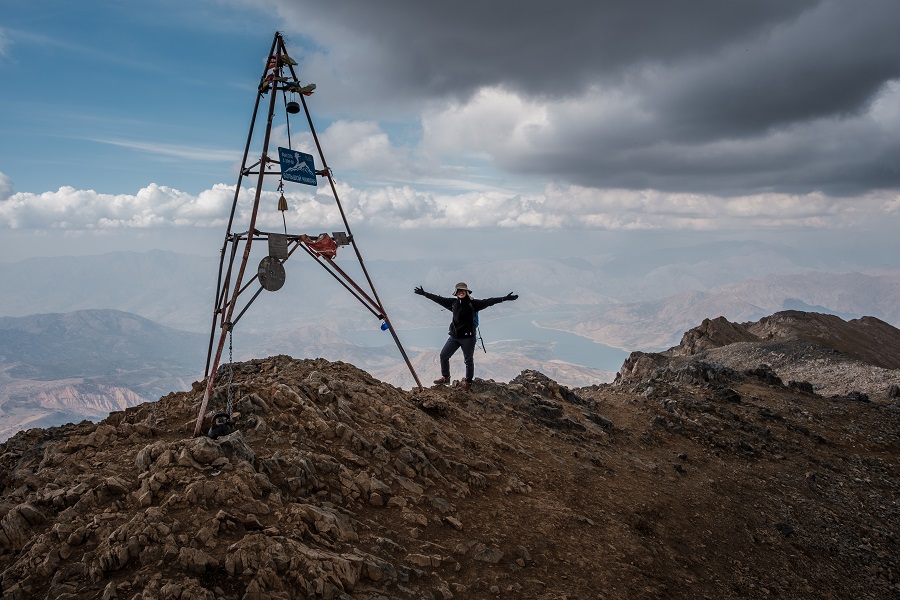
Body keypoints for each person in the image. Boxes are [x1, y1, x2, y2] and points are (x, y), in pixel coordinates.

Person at [414, 282, 518, 389]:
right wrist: (424, 293)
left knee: (468, 360)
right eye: (459, 291)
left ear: (467, 292)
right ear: (456, 293)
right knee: (444, 355)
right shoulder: (453, 303)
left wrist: (505, 298)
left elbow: (489, 301)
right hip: (454, 337)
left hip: (468, 338)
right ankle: (446, 377)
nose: (461, 292)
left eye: (463, 290)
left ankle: (468, 382)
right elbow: (438, 299)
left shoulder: (473, 304)